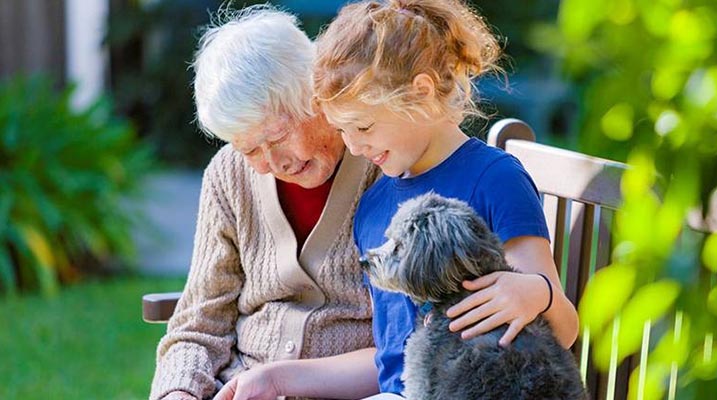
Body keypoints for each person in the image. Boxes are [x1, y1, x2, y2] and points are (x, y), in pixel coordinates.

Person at [312, 0, 580, 397]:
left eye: (363, 126)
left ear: (421, 93)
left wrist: (537, 293)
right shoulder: (373, 207)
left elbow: (562, 329)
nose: (353, 146)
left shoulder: (495, 180)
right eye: (343, 132)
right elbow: (389, 361)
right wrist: (276, 376)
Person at [149, 6, 381, 400]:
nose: (274, 164)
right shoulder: (228, 175)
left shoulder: (384, 160)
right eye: (249, 148)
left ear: (315, 93)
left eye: (276, 137)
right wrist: (179, 392)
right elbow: (199, 326)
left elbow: (415, 342)